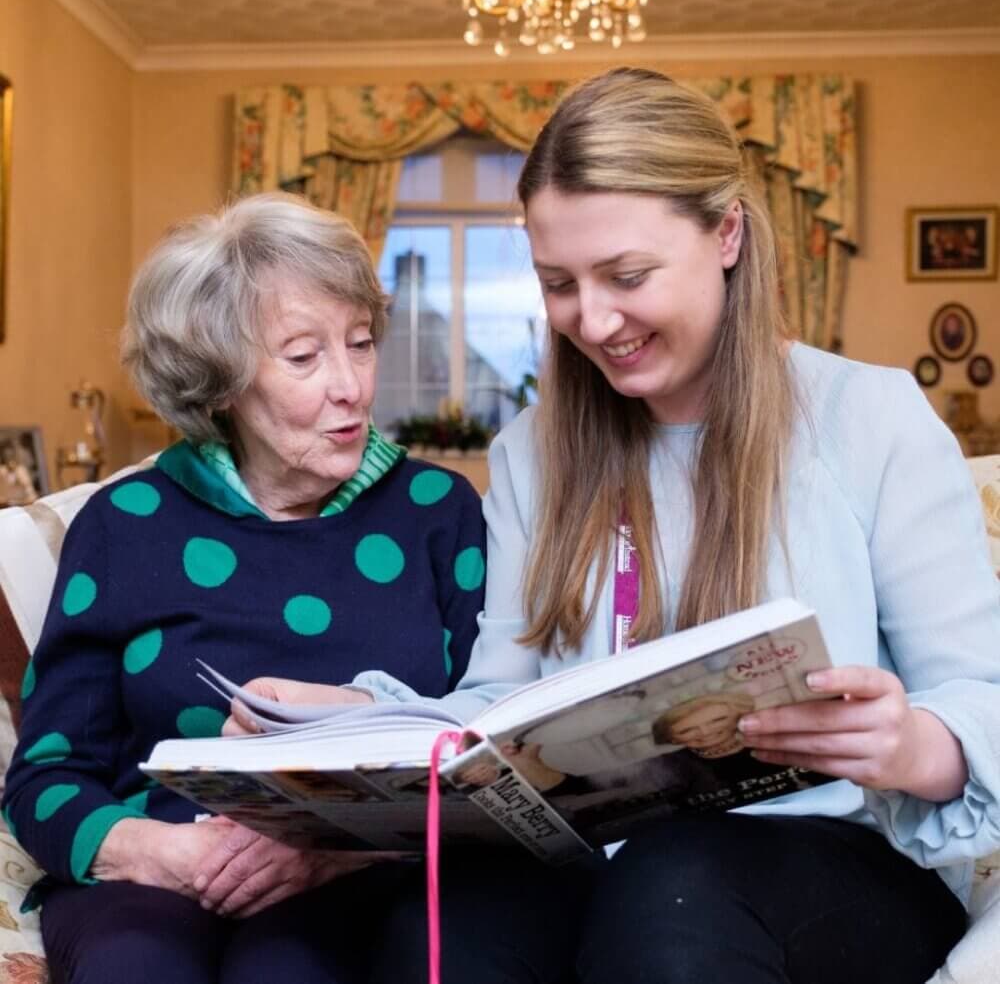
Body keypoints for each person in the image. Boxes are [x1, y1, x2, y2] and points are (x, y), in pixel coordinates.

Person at [222, 68, 1000, 984]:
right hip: (610, 860)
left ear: (727, 234)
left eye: (627, 276)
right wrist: (349, 721)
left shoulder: (870, 419)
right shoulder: (532, 452)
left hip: (844, 862)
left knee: (675, 885)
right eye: (558, 284)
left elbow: (982, 695)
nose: (592, 322)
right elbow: (498, 708)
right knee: (442, 922)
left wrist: (910, 744)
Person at [1, 193, 488, 984]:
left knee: (289, 970)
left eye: (361, 344)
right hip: (159, 863)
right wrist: (169, 854)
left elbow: (486, 752)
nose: (351, 386)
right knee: (137, 970)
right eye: (303, 357)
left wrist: (333, 848)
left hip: (368, 872)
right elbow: (47, 775)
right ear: (220, 382)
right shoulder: (125, 525)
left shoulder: (438, 512)